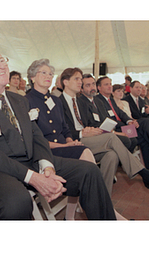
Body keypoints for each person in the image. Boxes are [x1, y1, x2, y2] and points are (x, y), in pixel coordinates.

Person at [0, 47, 118, 220]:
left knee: (89, 171)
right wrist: (33, 177)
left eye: (2, 61)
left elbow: (36, 136)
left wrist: (47, 166)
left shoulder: (19, 100)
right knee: (16, 202)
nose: (1, 66)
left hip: (30, 161)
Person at [59, 67, 149, 195]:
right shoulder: (59, 102)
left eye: (81, 79)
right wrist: (82, 133)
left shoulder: (80, 102)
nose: (80, 82)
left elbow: (91, 123)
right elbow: (61, 131)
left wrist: (92, 130)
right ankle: (146, 174)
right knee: (115, 137)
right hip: (76, 141)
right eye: (77, 79)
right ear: (65, 82)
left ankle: (103, 200)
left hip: (93, 137)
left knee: (112, 155)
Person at [25, 59, 101, 220]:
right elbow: (33, 139)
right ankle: (101, 209)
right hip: (45, 151)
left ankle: (72, 216)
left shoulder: (55, 100)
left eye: (51, 74)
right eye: (43, 73)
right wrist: (64, 145)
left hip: (62, 146)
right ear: (32, 77)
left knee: (83, 157)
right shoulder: (26, 101)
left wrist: (69, 142)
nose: (48, 76)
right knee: (85, 154)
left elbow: (65, 128)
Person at [95, 77, 149, 171]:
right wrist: (126, 125)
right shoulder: (98, 100)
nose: (109, 86)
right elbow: (108, 119)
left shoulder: (110, 99)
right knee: (145, 122)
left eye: (110, 84)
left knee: (145, 136)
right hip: (117, 129)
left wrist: (130, 121)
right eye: (106, 84)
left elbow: (121, 113)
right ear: (99, 87)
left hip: (124, 126)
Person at [80, 74, 138, 153]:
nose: (92, 87)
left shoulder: (98, 101)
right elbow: (92, 123)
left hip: (108, 129)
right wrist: (115, 133)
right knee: (126, 140)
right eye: (88, 85)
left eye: (93, 84)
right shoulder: (81, 102)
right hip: (95, 133)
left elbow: (106, 118)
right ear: (81, 89)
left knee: (135, 138)